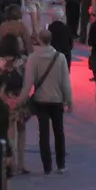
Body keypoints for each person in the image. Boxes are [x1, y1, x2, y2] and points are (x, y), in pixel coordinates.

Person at [26, 28, 74, 175]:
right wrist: (69, 100)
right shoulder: (60, 58)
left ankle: (47, 166)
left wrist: (22, 98)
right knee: (59, 132)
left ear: (39, 40)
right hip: (57, 100)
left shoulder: (33, 57)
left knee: (44, 133)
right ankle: (61, 164)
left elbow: (28, 83)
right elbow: (65, 82)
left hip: (41, 100)